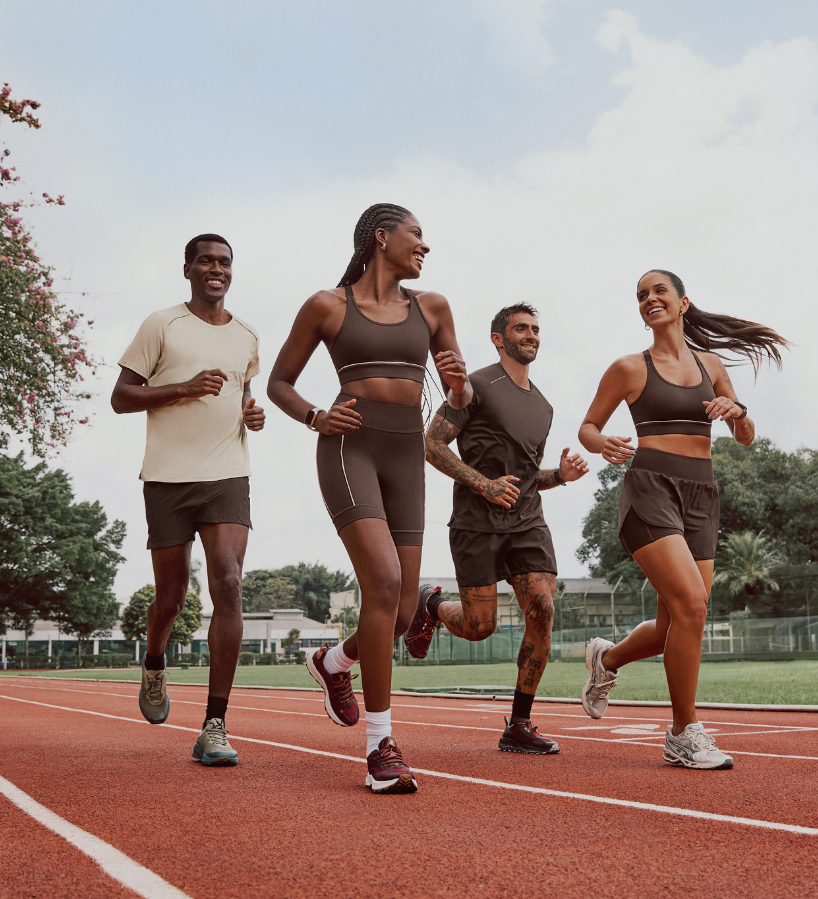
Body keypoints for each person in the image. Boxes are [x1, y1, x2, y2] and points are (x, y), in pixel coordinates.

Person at [267, 204, 470, 794]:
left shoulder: (433, 308)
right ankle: (381, 746)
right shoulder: (328, 306)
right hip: (349, 446)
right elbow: (280, 382)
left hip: (406, 454)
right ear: (382, 238)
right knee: (382, 583)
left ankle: (335, 663)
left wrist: (459, 389)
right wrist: (314, 416)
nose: (424, 246)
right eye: (416, 235)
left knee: (403, 612)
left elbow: (458, 405)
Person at [577, 269, 786, 769]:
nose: (650, 299)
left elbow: (746, 436)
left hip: (702, 496)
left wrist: (736, 411)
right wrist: (601, 442)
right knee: (692, 603)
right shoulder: (628, 368)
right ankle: (682, 732)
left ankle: (606, 659)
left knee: (679, 619)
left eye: (659, 291)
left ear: (682, 302)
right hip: (650, 490)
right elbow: (587, 426)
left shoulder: (712, 364)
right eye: (641, 295)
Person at [407, 303, 589, 754]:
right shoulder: (477, 387)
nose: (530, 335)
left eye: (535, 329)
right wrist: (483, 485)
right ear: (497, 338)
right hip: (476, 524)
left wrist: (560, 477)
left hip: (527, 522)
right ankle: (430, 605)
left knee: (543, 610)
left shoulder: (543, 405)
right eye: (520, 328)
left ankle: (519, 725)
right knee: (479, 627)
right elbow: (432, 444)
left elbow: (528, 479)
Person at [112, 233, 264, 767]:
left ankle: (214, 726)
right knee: (171, 599)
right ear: (188, 269)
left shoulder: (247, 335)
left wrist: (252, 412)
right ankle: (155, 659)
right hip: (168, 480)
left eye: (224, 262)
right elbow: (121, 398)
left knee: (228, 580)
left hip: (227, 474)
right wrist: (183, 387)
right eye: (206, 261)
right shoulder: (162, 325)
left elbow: (243, 394)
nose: (215, 269)